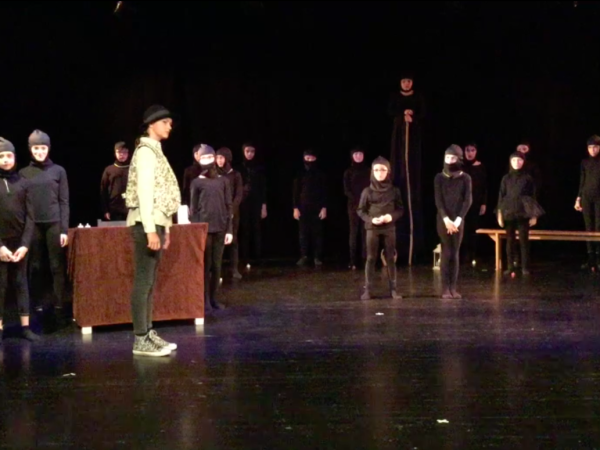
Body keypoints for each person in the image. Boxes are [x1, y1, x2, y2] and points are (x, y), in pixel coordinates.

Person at [124, 105, 181, 357]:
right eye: (165, 122)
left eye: (170, 122)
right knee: (143, 280)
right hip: (145, 222)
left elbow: (161, 192)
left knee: (149, 281)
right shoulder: (146, 152)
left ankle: (147, 332)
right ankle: (140, 338)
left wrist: (165, 228)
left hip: (154, 222)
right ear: (151, 124)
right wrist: (150, 230)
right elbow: (145, 193)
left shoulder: (155, 151)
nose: (170, 126)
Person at [19, 129, 70, 326]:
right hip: (33, 225)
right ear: (30, 149)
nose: (39, 152)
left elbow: (64, 201)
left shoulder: (58, 171)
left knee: (57, 266)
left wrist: (64, 229)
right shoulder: (23, 173)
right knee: (35, 266)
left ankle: (59, 304)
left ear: (48, 148)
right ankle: (37, 304)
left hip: (54, 223)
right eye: (36, 148)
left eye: (43, 148)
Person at [0, 137, 39, 342]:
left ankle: (25, 327)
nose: (6, 159)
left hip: (19, 244)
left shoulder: (23, 183)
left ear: (14, 157)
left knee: (21, 283)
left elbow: (31, 217)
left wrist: (24, 245)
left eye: (9, 155)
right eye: (1, 156)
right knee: (1, 285)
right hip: (1, 244)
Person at [388, 71, 427, 262]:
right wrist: (402, 115)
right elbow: (390, 111)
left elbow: (423, 113)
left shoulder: (418, 97)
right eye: (403, 81)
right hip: (399, 133)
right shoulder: (395, 98)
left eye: (409, 81)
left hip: (414, 135)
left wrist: (413, 117)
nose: (406, 84)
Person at [190, 144, 233, 310]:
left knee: (217, 265)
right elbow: (193, 210)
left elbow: (228, 206)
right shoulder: (196, 183)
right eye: (204, 158)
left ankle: (214, 298)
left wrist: (229, 229)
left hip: (220, 228)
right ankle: (204, 299)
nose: (207, 161)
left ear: (214, 158)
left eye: (209, 157)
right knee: (205, 265)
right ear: (199, 160)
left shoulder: (223, 181)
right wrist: (196, 230)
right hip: (204, 229)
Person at [357, 156, 403, 300]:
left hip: (389, 228)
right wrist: (371, 219)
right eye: (376, 170)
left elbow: (400, 209)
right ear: (372, 172)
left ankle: (393, 290)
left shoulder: (394, 191)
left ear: (388, 171)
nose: (379, 173)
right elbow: (360, 210)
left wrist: (391, 217)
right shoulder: (367, 191)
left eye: (383, 170)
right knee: (371, 258)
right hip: (372, 228)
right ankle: (368, 290)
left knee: (390, 258)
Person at [496, 151, 545, 277]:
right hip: (509, 211)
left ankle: (525, 267)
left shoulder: (527, 178)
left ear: (523, 162)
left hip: (523, 212)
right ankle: (510, 267)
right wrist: (499, 214)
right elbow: (501, 196)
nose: (516, 163)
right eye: (514, 160)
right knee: (510, 241)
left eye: (519, 160)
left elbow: (533, 196)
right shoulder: (506, 178)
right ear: (510, 162)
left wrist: (534, 215)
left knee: (524, 240)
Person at [434, 145, 472, 299]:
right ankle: (445, 289)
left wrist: (457, 221)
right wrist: (446, 219)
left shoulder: (465, 178)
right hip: (443, 219)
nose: (450, 161)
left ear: (459, 159)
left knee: (455, 253)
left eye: (453, 158)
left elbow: (467, 200)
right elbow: (438, 201)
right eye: (447, 157)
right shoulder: (439, 177)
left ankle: (453, 288)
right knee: (446, 251)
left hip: (458, 220)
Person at [293, 149, 328, 266]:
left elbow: (324, 192)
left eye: (312, 158)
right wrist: (295, 207)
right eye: (307, 158)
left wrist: (324, 207)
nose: (309, 160)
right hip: (303, 208)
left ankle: (317, 257)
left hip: (317, 208)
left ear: (315, 159)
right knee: (303, 233)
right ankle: (304, 255)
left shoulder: (321, 174)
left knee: (317, 233)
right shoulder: (299, 173)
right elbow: (295, 192)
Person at [216, 147, 243, 279]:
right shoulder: (214, 173)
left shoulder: (235, 175)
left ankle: (234, 269)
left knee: (233, 240)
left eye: (221, 158)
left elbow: (239, 194)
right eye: (217, 158)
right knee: (218, 241)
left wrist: (232, 210)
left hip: (232, 212)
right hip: (218, 212)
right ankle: (217, 271)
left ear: (227, 158)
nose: (219, 161)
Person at [238, 142, 267, 266]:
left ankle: (258, 257)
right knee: (244, 229)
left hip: (256, 203)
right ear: (243, 152)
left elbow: (263, 188)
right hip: (243, 203)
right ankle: (245, 257)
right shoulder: (239, 168)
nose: (250, 154)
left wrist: (264, 205)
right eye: (247, 151)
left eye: (252, 151)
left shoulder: (259, 169)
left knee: (257, 229)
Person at [575, 135, 600, 271]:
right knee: (588, 227)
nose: (593, 150)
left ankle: (598, 258)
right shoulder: (584, 162)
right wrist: (578, 198)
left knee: (598, 227)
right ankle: (591, 259)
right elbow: (582, 180)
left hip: (599, 198)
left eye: (595, 147)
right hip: (586, 196)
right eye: (590, 147)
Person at [343, 146, 370, 270]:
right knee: (353, 233)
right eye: (356, 154)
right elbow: (346, 190)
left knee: (366, 232)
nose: (358, 156)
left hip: (367, 205)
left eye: (360, 154)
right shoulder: (348, 172)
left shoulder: (369, 170)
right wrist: (357, 200)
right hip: (353, 205)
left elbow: (372, 187)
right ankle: (352, 261)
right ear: (352, 156)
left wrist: (366, 200)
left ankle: (366, 259)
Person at [461, 142, 488, 266]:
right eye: (467, 150)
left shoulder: (480, 167)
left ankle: (472, 254)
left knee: (473, 229)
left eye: (472, 150)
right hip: (461, 203)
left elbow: (484, 187)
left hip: (475, 202)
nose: (470, 153)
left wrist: (484, 203)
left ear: (476, 152)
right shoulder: (460, 166)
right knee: (462, 228)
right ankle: (462, 254)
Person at [100, 141, 130, 221]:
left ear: (128, 153)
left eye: (124, 152)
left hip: (131, 209)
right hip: (114, 209)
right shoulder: (109, 170)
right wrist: (105, 210)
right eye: (119, 152)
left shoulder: (133, 169)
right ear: (115, 153)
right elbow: (103, 191)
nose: (122, 154)